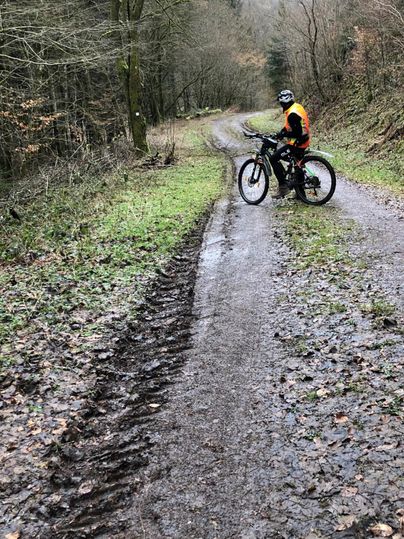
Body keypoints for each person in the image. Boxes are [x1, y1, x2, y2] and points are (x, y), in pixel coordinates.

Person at [271, 89, 311, 199]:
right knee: (298, 165)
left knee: (274, 158)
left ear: (285, 102)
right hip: (304, 140)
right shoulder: (296, 107)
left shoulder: (292, 114)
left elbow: (296, 132)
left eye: (281, 103)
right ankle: (300, 194)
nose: (281, 105)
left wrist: (284, 135)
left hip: (297, 144)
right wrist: (282, 132)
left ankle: (283, 187)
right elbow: (291, 126)